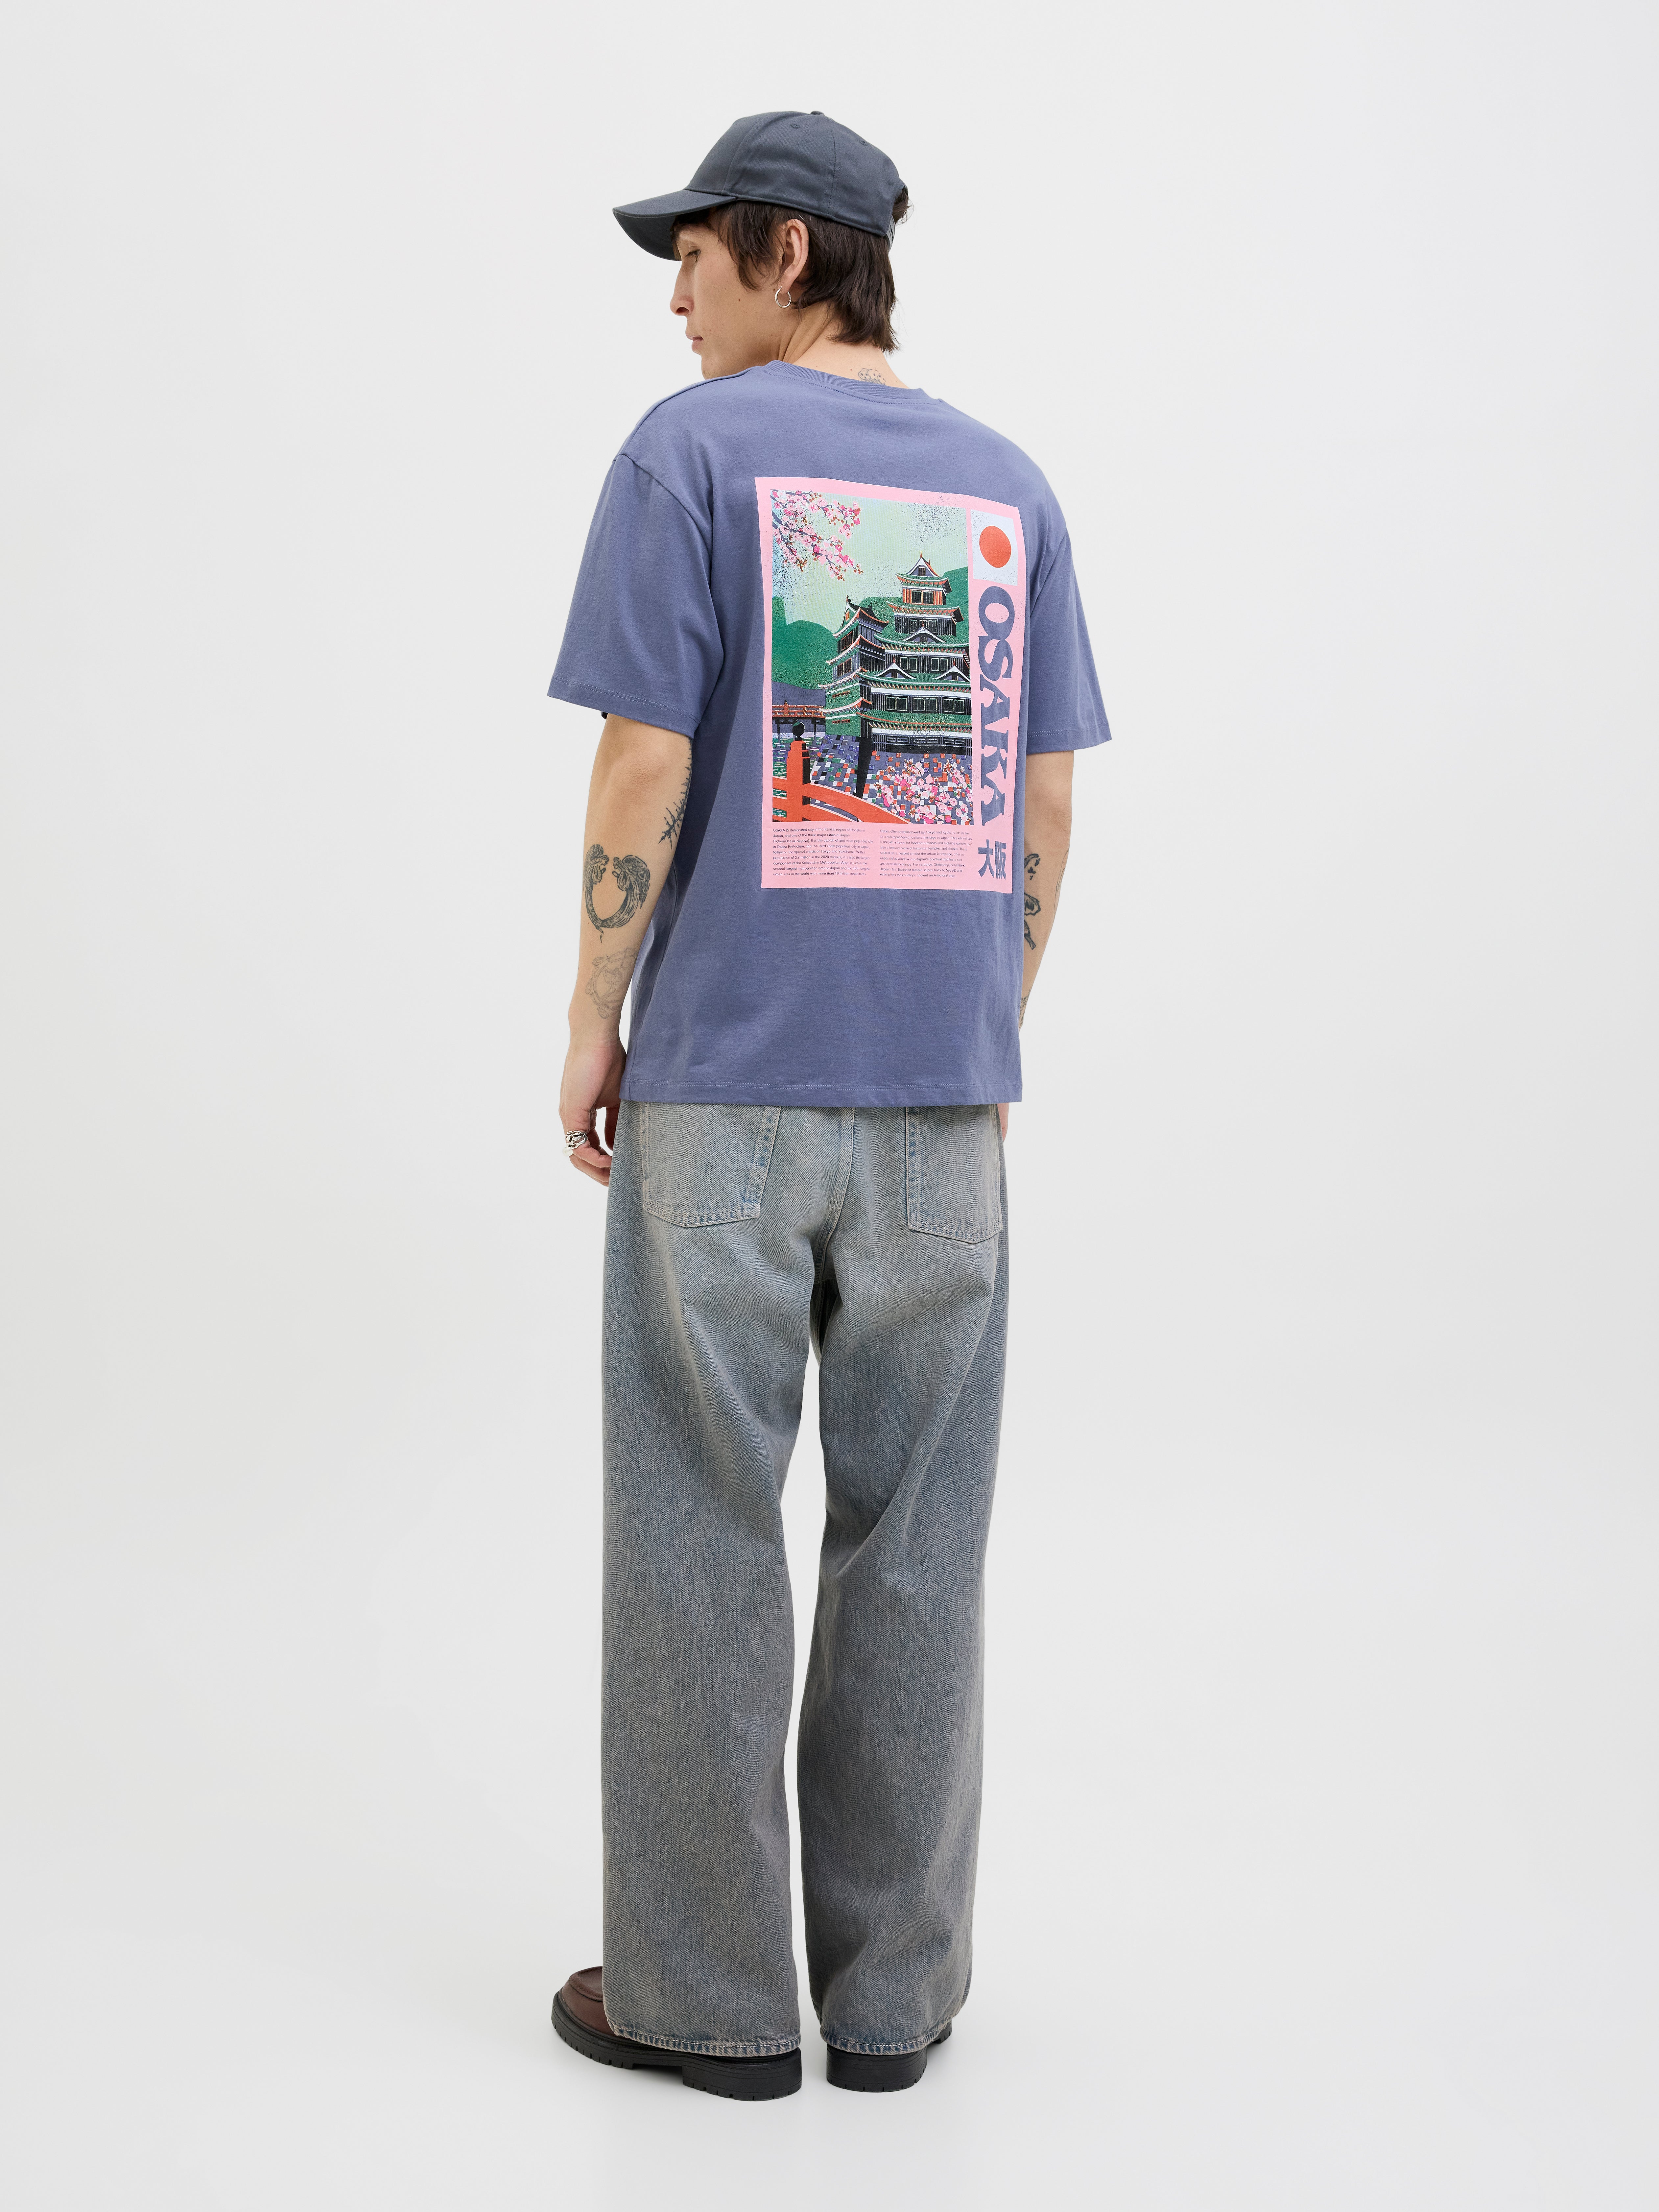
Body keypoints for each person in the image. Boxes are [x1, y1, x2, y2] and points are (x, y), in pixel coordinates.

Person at [547, 110, 1110, 2100]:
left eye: (694, 258)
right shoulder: (1009, 488)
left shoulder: (688, 458)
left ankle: (704, 2006)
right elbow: (1045, 799)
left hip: (725, 1091)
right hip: (944, 1110)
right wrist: (979, 1029)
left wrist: (593, 1011)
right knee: (919, 1547)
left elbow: (642, 765)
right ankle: (889, 2005)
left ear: (786, 250)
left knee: (696, 1533)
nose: (676, 303)